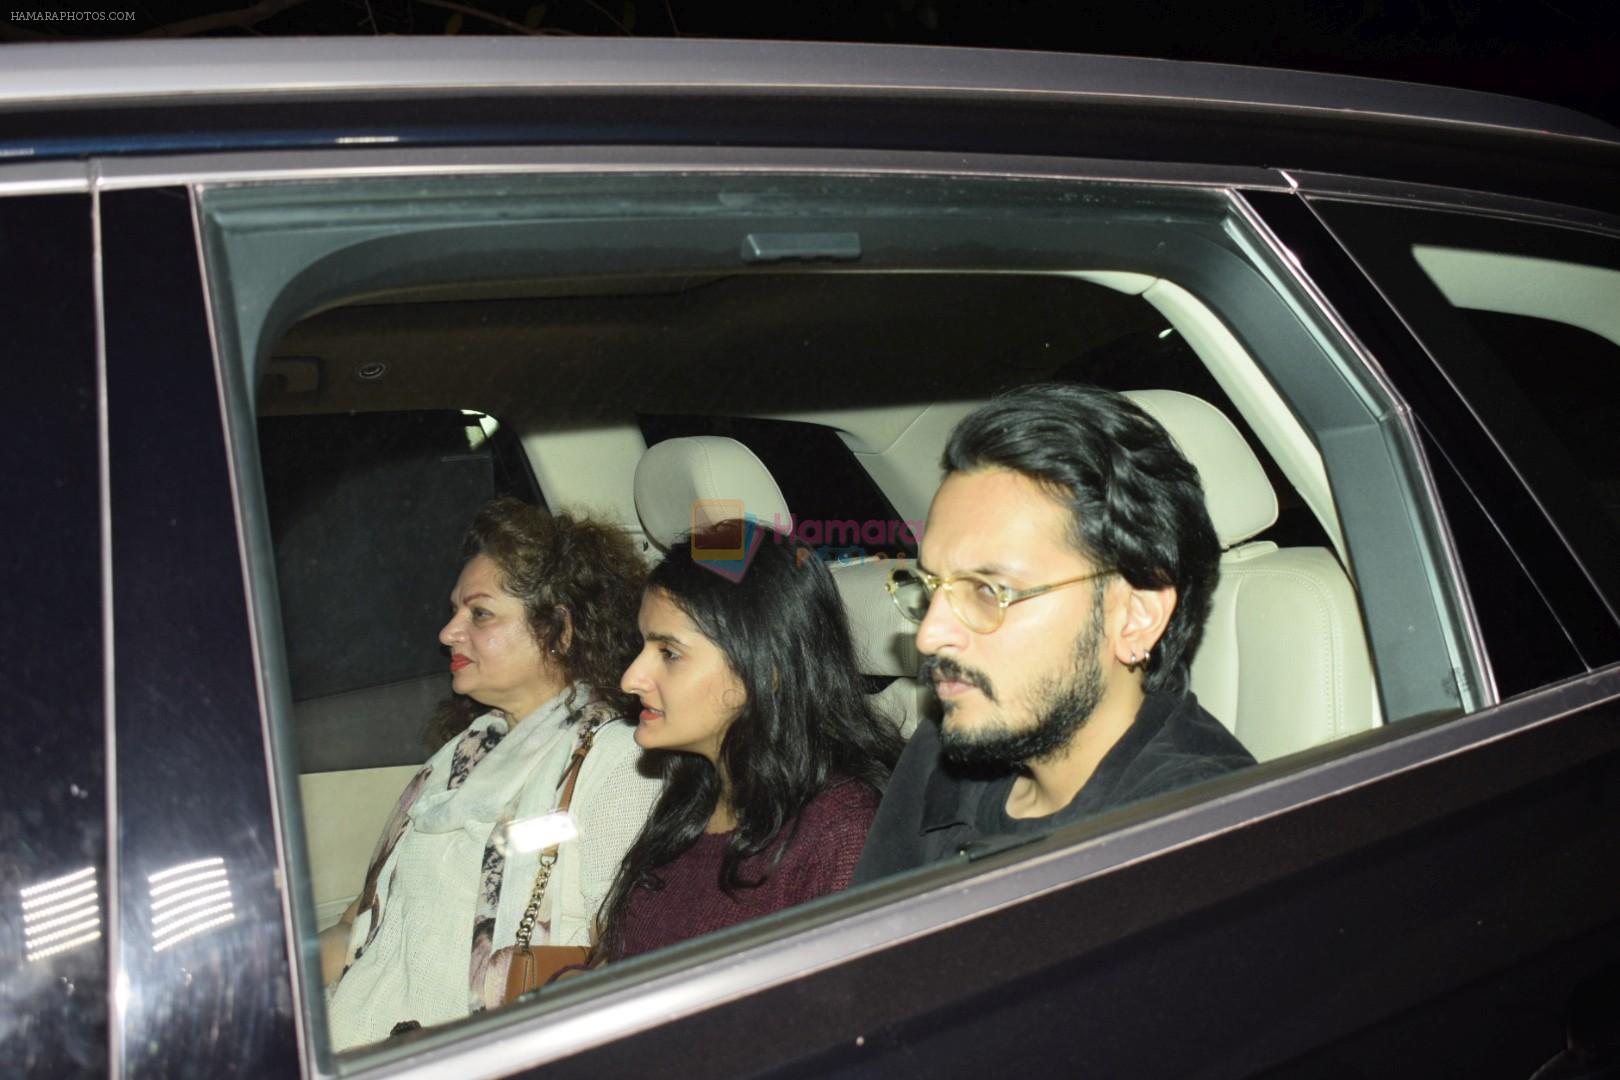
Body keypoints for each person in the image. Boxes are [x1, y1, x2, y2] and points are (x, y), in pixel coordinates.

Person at [853, 383, 1255, 882]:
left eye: (987, 590)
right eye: (932, 587)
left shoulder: (1199, 839)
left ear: (1136, 617)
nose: (930, 636)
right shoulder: (942, 747)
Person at [321, 497, 663, 1049]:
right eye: (457, 611)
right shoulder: (459, 759)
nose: (448, 632)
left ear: (560, 632)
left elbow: (625, 967)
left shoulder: (617, 766)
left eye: (479, 614)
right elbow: (360, 928)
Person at [594, 523, 903, 962]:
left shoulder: (841, 834)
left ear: (766, 668)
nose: (630, 678)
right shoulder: (693, 799)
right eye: (644, 645)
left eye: (670, 654)